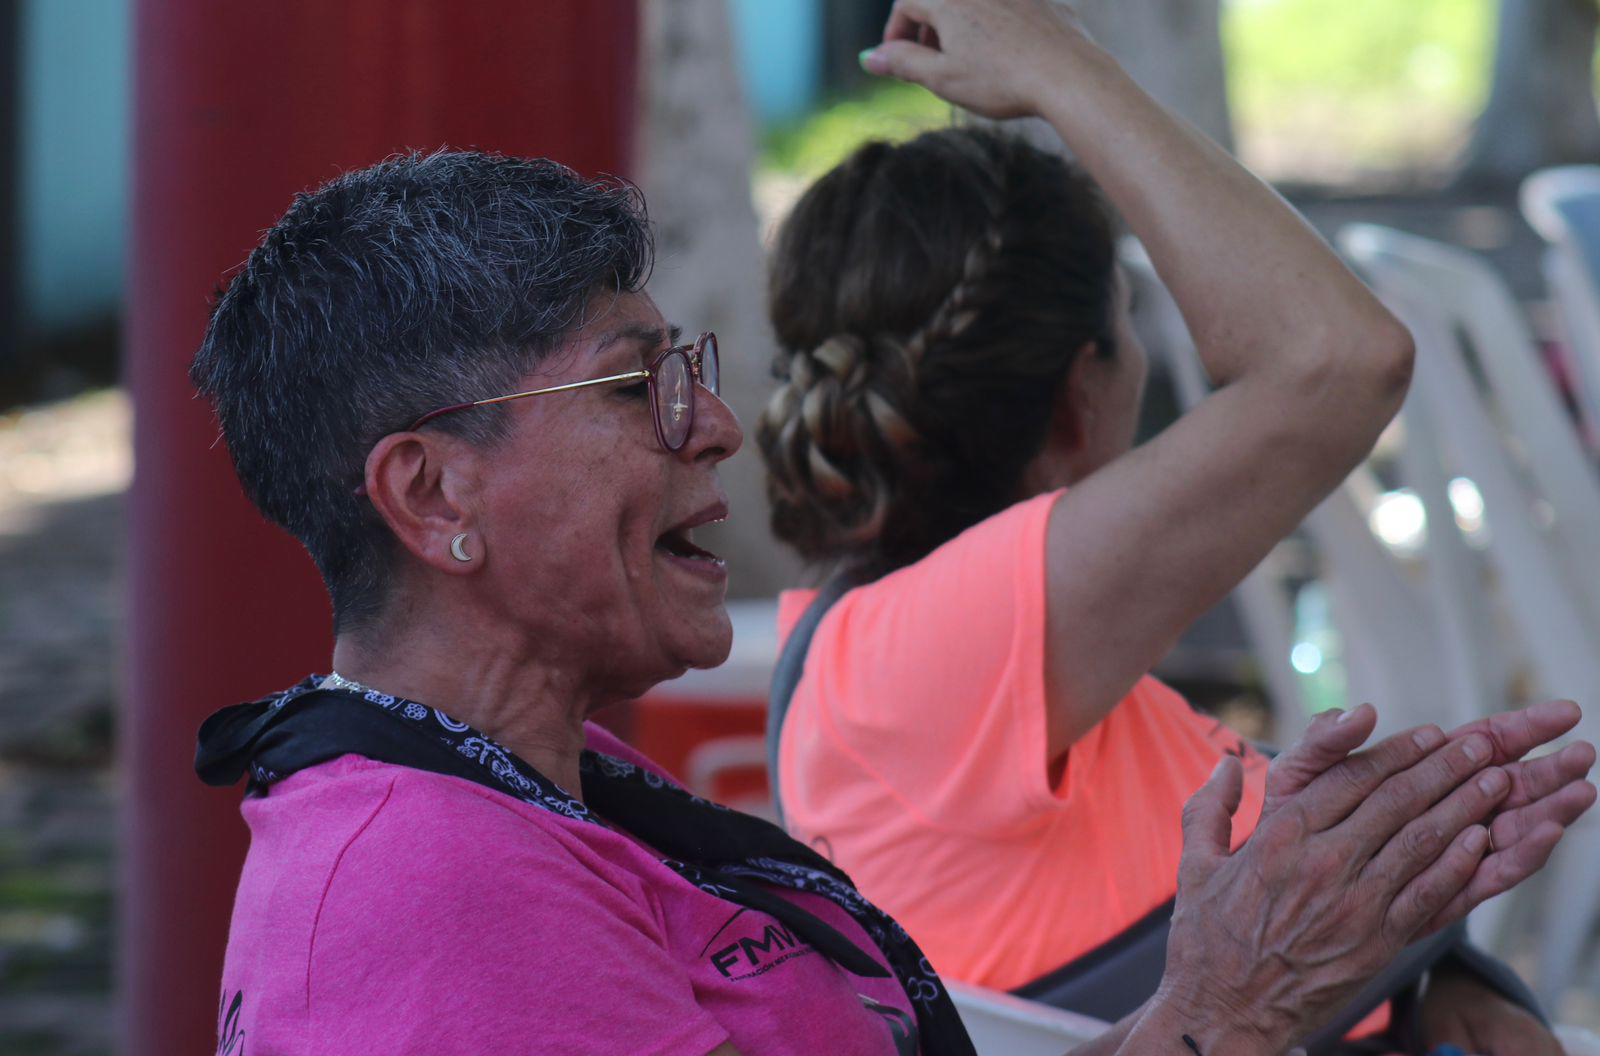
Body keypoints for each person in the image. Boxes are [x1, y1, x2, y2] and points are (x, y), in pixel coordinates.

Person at [189, 150, 1584, 1056]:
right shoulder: (438, 900)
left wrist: (1303, 958)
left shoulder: (555, 797)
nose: (717, 426)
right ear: (435, 498)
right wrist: (1239, 1003)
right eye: (636, 385)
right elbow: (1340, 365)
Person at [757, 2, 1597, 1052]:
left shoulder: (964, 674)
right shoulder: (915, 666)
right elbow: (1336, 360)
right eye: (1127, 324)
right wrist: (1069, 72)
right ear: (1079, 395)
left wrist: (1443, 985)